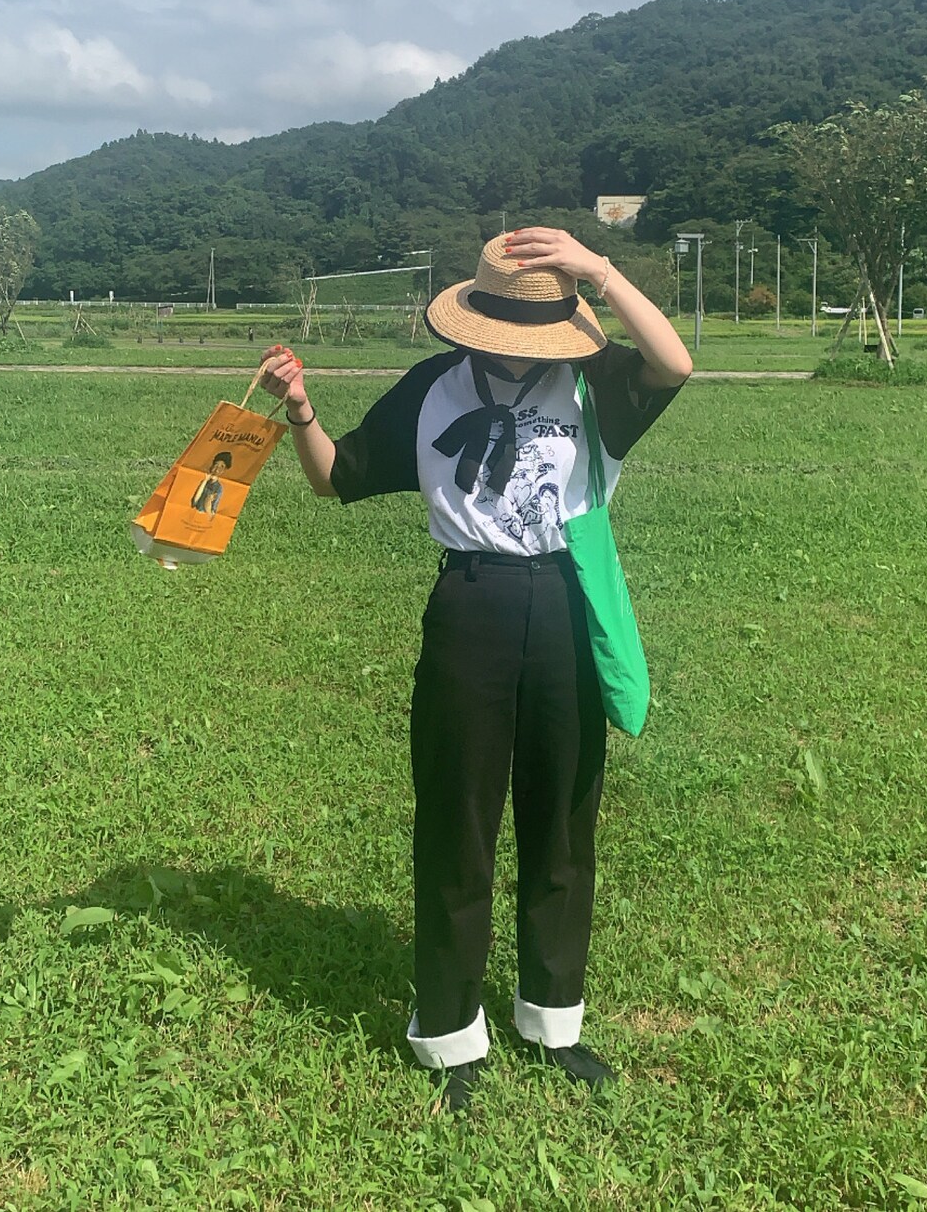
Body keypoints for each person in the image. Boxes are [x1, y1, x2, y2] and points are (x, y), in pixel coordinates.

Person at [260, 227, 692, 1110]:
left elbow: (675, 363)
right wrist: (300, 407)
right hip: (469, 604)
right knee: (457, 819)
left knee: (563, 818)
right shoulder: (434, 386)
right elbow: (336, 477)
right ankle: (452, 1034)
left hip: (566, 602)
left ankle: (553, 1021)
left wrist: (600, 270)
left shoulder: (594, 382)